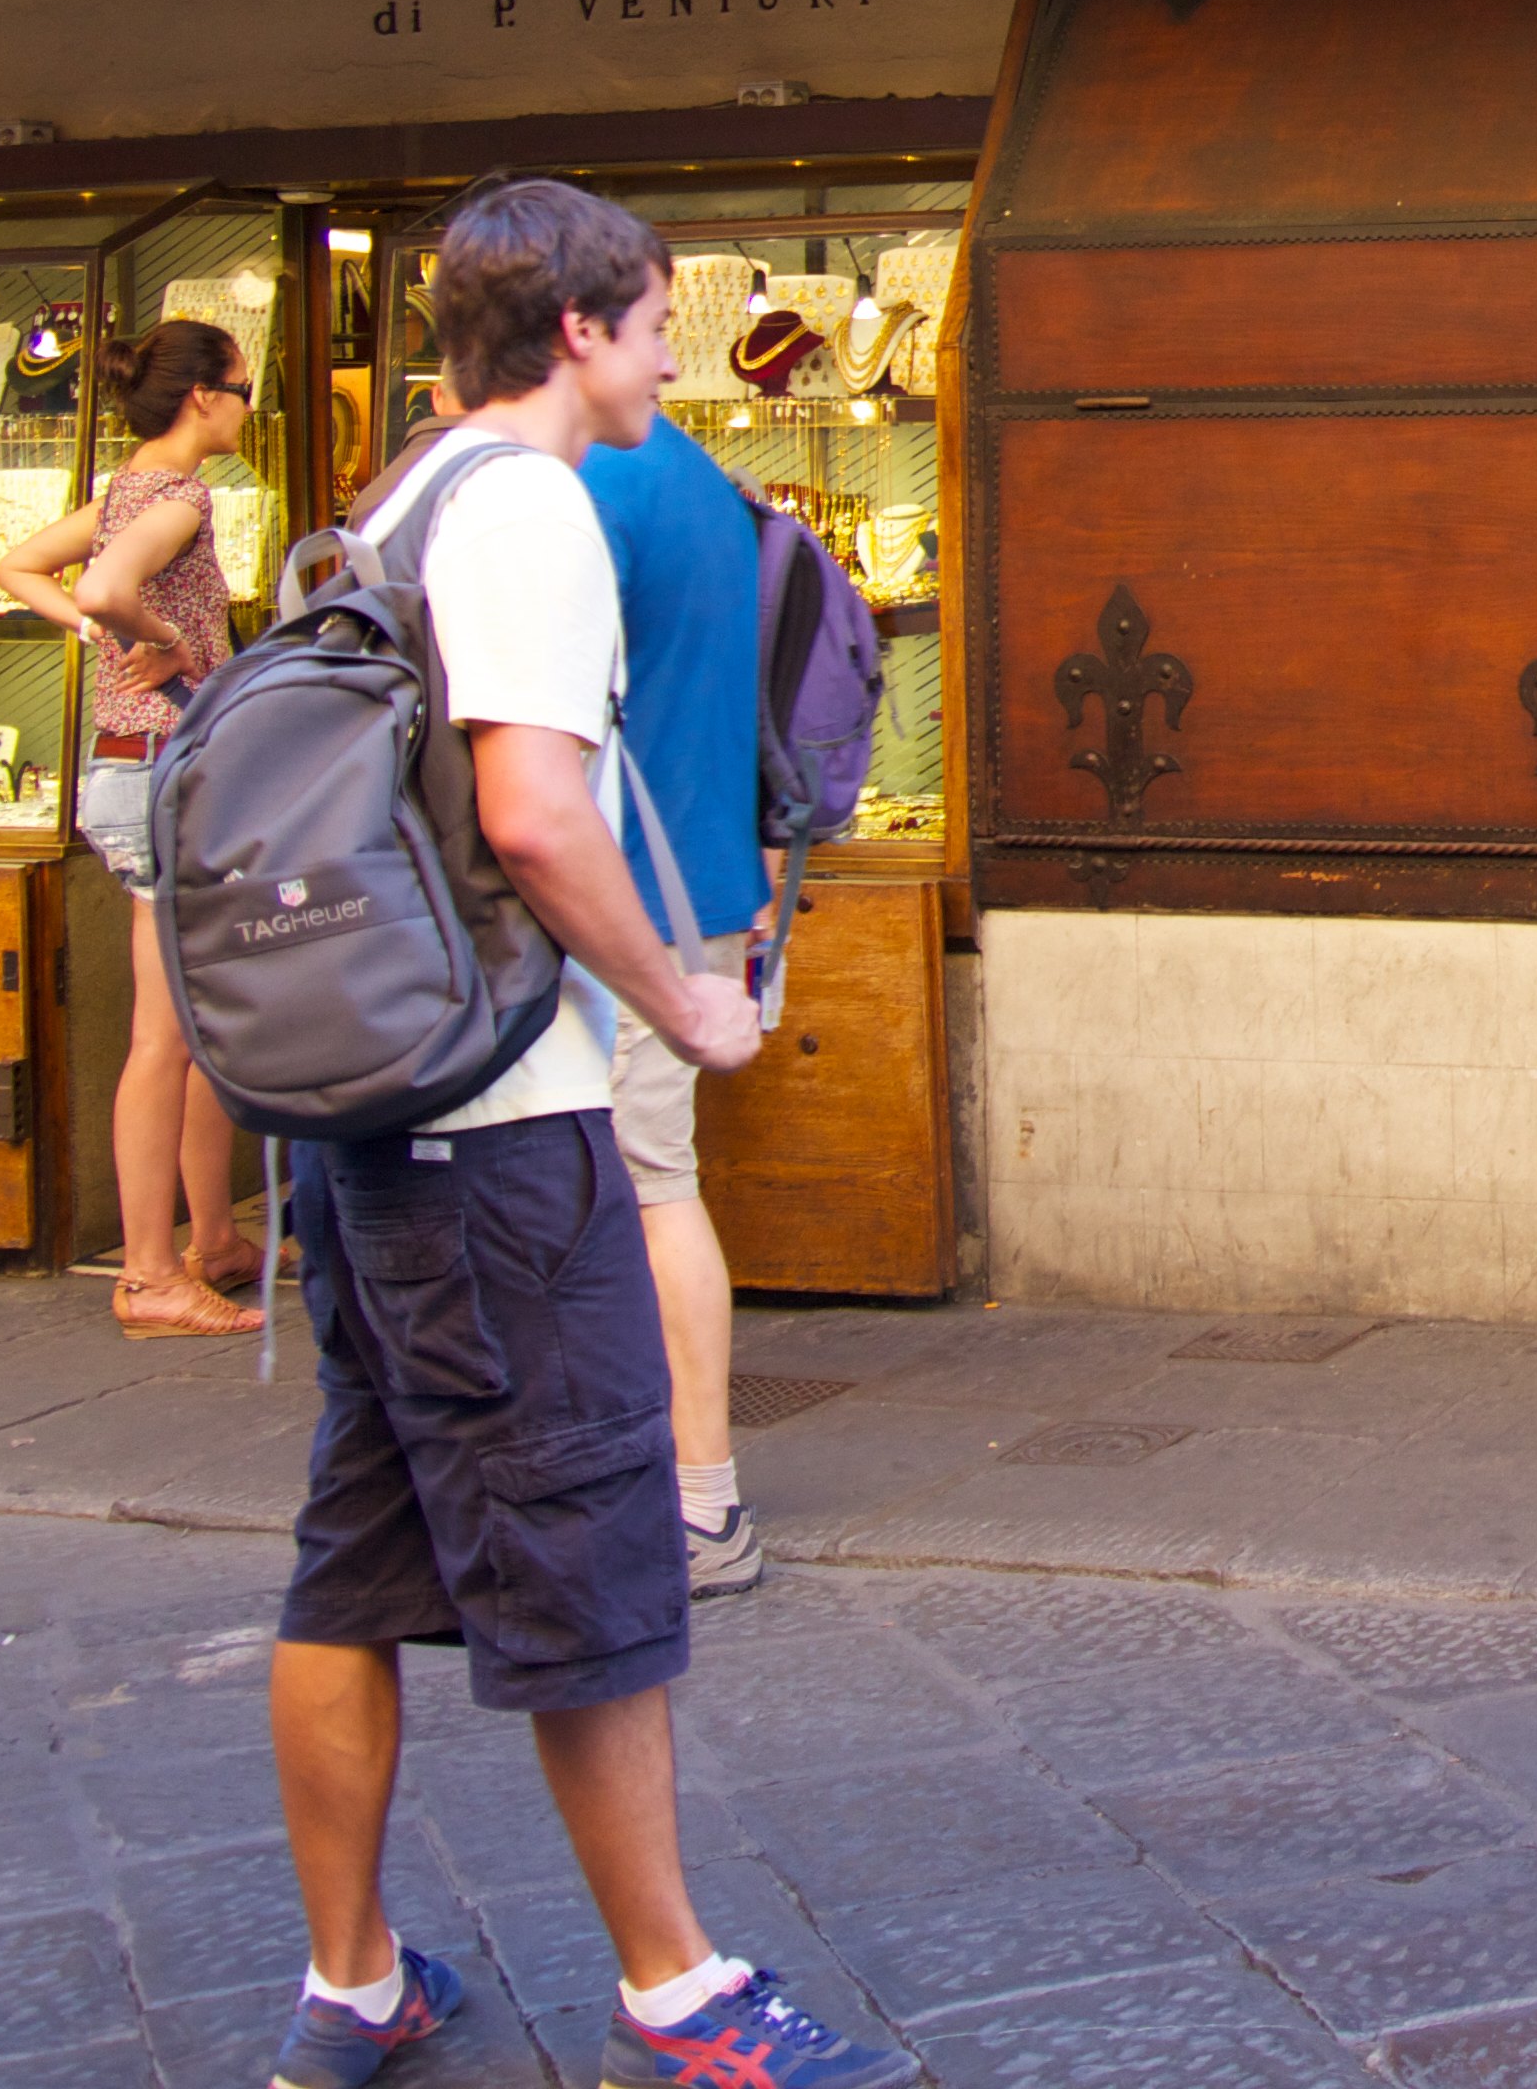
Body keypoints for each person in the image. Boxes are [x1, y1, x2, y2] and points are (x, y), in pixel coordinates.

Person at [258, 181, 912, 2089]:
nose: (663, 367)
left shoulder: (391, 498)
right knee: (597, 1554)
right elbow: (534, 814)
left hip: (373, 1124)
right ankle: (677, 1997)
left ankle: (352, 1981)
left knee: (352, 1563)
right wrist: (682, 1000)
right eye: (648, 328)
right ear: (575, 332)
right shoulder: (530, 508)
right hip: (496, 1131)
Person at [3, 318, 260, 1339]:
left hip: (128, 765)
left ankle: (214, 1240)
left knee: (197, 1020)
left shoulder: (124, 492)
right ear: (204, 396)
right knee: (165, 1036)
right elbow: (103, 588)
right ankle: (153, 1275)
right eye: (244, 391)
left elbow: (21, 566)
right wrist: (157, 635)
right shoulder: (182, 497)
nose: (247, 411)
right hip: (165, 768)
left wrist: (104, 633)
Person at [576, 401, 776, 1600]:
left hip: (629, 890)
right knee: (649, 1180)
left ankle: (702, 1501)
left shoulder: (596, 483)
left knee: (649, 1185)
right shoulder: (696, 478)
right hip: (695, 873)